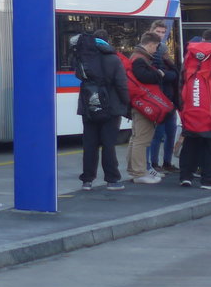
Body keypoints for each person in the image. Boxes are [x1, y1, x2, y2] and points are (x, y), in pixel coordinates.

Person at [76, 30, 129, 191]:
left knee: (89, 144)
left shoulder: (83, 58)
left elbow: (79, 76)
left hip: (88, 106)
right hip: (111, 107)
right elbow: (121, 84)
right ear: (107, 41)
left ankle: (87, 180)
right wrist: (126, 103)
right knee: (108, 144)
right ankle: (112, 180)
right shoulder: (114, 59)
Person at [125, 32, 167, 184]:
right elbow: (143, 77)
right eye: (156, 47)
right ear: (150, 44)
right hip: (143, 104)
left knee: (136, 138)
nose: (156, 50)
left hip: (138, 103)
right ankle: (139, 173)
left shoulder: (136, 56)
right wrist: (159, 73)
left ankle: (134, 170)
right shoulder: (140, 59)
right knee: (142, 139)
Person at [178, 29, 211, 189]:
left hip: (190, 105)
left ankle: (185, 176)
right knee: (209, 145)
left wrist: (181, 105)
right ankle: (207, 180)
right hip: (209, 108)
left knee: (190, 142)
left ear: (203, 39)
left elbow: (181, 82)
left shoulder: (190, 55)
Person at [147, 19, 182, 173]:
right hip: (158, 99)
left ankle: (166, 162)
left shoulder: (163, 49)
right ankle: (155, 163)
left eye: (163, 32)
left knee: (170, 132)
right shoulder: (152, 50)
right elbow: (160, 74)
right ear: (152, 31)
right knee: (158, 133)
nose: (161, 35)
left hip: (168, 98)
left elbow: (172, 73)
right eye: (158, 32)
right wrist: (168, 74)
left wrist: (166, 74)